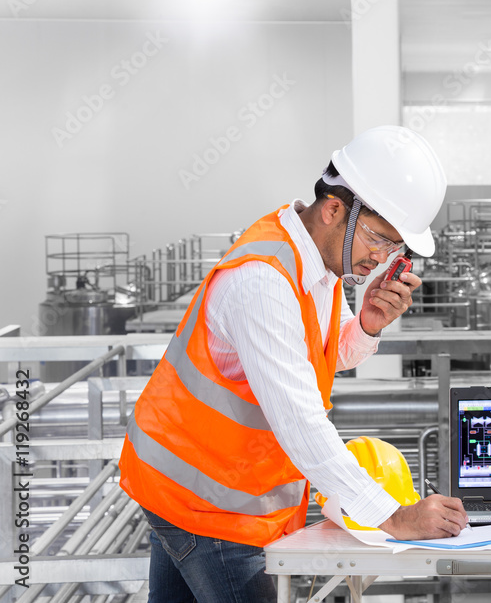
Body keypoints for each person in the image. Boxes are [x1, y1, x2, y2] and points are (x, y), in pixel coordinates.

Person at [119, 125, 468, 602]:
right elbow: (300, 420)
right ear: (334, 210)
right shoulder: (264, 282)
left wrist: (367, 323)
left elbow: (324, 354)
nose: (383, 259)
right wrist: (393, 515)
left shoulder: (315, 263)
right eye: (380, 240)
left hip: (193, 487)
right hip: (211, 503)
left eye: (395, 249)